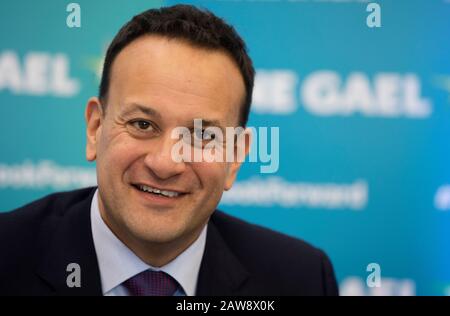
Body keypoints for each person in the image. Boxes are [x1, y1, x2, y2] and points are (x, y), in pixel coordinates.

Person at [0, 4, 338, 296]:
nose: (165, 164)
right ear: (95, 128)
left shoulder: (301, 279)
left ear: (235, 156)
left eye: (202, 135)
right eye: (143, 125)